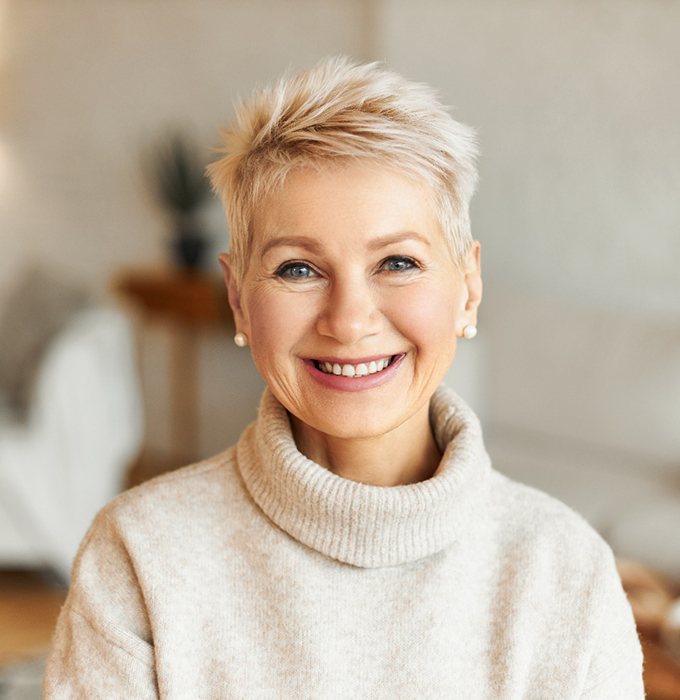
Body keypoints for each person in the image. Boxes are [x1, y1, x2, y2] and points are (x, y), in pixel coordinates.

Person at [44, 57, 644, 698]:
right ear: (239, 300)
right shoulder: (139, 556)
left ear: (468, 289)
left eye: (398, 261)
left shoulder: (566, 572)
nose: (350, 320)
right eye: (298, 269)